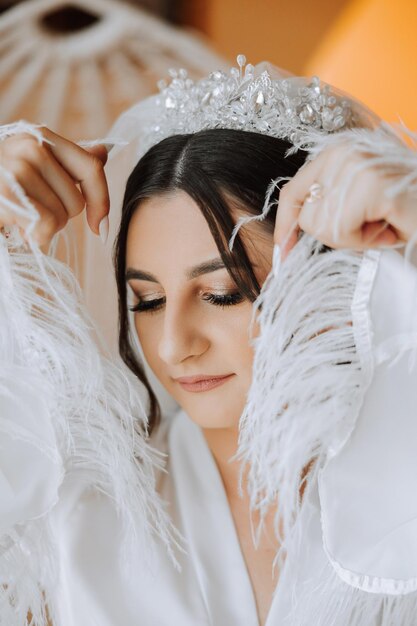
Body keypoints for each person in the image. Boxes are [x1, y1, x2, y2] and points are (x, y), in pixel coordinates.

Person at [0, 56, 417, 626]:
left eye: (222, 294)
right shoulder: (75, 521)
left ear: (328, 277)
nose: (173, 346)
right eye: (146, 301)